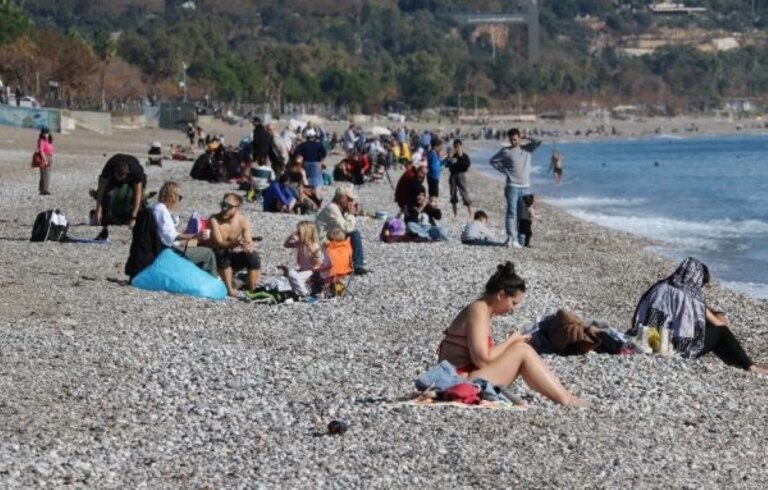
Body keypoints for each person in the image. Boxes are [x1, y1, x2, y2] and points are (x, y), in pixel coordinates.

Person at [438, 262, 586, 406]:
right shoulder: (478, 311)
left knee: (520, 348)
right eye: (513, 303)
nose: (513, 309)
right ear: (501, 295)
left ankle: (565, 396)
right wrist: (511, 342)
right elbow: (482, 360)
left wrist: (511, 343)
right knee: (523, 350)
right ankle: (566, 400)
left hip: (460, 378)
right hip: (458, 383)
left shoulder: (480, 309)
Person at [630, 257, 768, 374]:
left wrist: (704, 308)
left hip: (646, 339)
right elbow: (720, 324)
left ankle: (743, 364)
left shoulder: (659, 287)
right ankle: (750, 367)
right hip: (672, 348)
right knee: (720, 332)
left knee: (707, 327)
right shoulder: (691, 298)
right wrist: (720, 314)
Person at [489, 128, 541, 249]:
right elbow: (493, 161)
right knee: (511, 213)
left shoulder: (527, 149)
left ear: (519, 138)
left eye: (516, 139)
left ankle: (520, 239)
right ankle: (511, 238)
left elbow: (539, 141)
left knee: (522, 215)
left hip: (525, 187)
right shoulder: (505, 151)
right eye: (511, 139)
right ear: (509, 139)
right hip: (512, 186)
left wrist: (526, 135)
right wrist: (504, 170)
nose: (513, 141)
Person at [150, 181, 216, 275]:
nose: (179, 201)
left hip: (158, 247)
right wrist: (196, 235)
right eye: (179, 197)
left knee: (194, 245)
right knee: (208, 253)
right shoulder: (162, 211)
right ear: (172, 197)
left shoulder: (154, 207)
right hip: (167, 251)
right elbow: (171, 236)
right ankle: (211, 278)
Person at [206, 193, 261, 297]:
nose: (224, 208)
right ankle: (229, 290)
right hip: (214, 257)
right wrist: (236, 243)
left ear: (237, 208)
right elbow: (219, 243)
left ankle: (252, 290)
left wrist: (248, 247)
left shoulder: (243, 220)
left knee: (254, 257)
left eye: (228, 206)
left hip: (229, 256)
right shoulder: (214, 219)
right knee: (221, 252)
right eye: (222, 204)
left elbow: (248, 241)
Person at [315, 185, 370, 275]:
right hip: (322, 244)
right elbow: (347, 228)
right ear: (342, 198)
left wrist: (349, 213)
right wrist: (351, 214)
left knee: (353, 234)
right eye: (349, 199)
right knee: (355, 234)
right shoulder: (332, 208)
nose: (351, 202)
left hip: (328, 239)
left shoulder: (337, 208)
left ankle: (356, 262)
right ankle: (358, 265)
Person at [94, 154, 147, 240]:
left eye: (121, 178)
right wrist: (98, 210)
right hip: (113, 174)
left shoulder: (135, 171)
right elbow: (101, 190)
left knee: (140, 197)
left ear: (127, 174)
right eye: (117, 177)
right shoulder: (109, 168)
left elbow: (138, 194)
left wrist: (133, 217)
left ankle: (140, 218)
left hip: (134, 174)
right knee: (107, 195)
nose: (120, 180)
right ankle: (105, 221)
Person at [281, 221, 330, 297]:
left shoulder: (314, 246)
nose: (297, 234)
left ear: (306, 234)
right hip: (304, 269)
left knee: (294, 276)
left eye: (299, 233)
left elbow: (319, 263)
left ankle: (304, 294)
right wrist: (291, 236)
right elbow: (286, 245)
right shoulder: (300, 243)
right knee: (290, 273)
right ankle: (298, 292)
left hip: (312, 271)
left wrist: (314, 259)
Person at [445, 139, 472, 218]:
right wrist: (449, 158)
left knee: (464, 193)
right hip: (453, 175)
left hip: (461, 175)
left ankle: (470, 213)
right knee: (453, 193)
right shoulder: (453, 156)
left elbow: (466, 166)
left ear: (461, 146)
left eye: (458, 147)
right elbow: (447, 165)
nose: (457, 149)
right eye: (455, 147)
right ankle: (455, 213)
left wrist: (460, 157)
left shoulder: (465, 156)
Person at [36, 127, 54, 196]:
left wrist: (51, 156)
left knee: (47, 174)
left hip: (49, 157)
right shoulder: (41, 140)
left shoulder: (48, 140)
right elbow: (41, 150)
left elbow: (50, 148)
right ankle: (45, 190)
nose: (46, 135)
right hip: (44, 157)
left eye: (47, 133)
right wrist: (45, 159)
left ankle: (42, 189)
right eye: (45, 133)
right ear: (42, 134)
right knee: (44, 174)